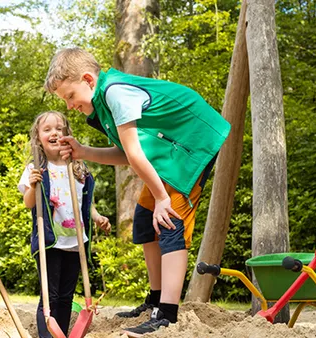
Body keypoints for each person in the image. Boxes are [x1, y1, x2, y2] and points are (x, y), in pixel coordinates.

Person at [43, 48, 231, 336]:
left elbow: (134, 154)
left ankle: (166, 314)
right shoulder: (104, 104)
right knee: (145, 219)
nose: (69, 106)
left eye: (69, 96)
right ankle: (155, 300)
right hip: (170, 152)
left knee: (169, 221)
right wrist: (84, 152)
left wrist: (162, 197)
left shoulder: (116, 95)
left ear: (88, 80)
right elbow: (125, 153)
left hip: (192, 144)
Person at [18, 111, 111, 338]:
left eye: (59, 129)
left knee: (67, 295)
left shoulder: (78, 169)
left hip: (75, 241)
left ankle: (62, 333)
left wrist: (97, 217)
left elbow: (84, 203)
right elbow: (29, 203)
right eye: (47, 129)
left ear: (67, 134)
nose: (54, 133)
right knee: (50, 296)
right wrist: (32, 186)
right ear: (38, 137)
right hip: (51, 241)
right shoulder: (36, 169)